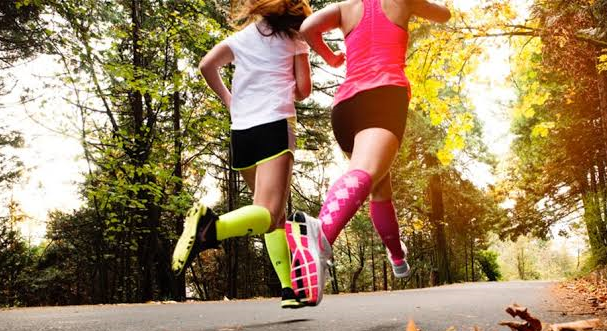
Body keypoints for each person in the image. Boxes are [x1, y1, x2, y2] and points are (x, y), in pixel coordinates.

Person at [286, 0, 451, 305]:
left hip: (345, 108)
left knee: (378, 185)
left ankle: (397, 256)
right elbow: (444, 14)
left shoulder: (346, 6)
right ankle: (319, 235)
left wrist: (331, 57)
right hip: (384, 97)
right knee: (364, 174)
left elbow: (308, 28)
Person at [172, 0, 313, 309]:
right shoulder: (295, 39)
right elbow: (304, 89)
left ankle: (288, 289)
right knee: (269, 212)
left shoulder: (242, 37)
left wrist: (230, 100)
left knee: (269, 215)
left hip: (243, 130)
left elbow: (206, 65)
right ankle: (211, 228)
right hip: (275, 122)